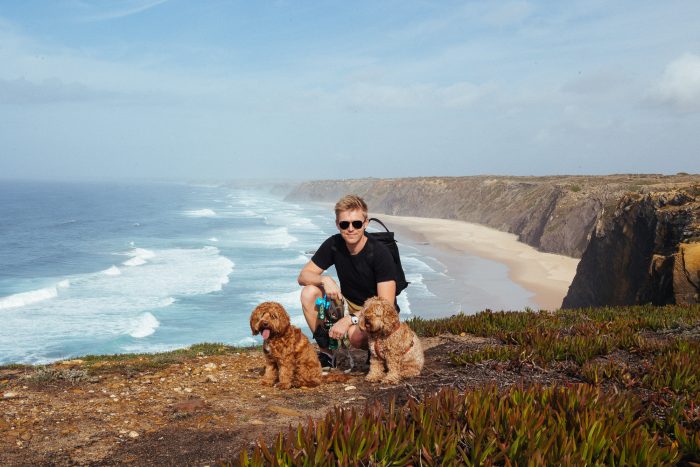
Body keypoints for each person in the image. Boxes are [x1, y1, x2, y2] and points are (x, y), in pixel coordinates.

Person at [298, 194, 397, 367]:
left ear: (365, 223)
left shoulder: (380, 253)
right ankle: (328, 355)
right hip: (347, 303)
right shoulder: (334, 244)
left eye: (356, 224)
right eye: (345, 224)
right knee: (309, 292)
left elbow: (386, 304)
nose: (350, 229)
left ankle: (376, 351)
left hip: (377, 309)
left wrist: (348, 320)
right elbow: (303, 276)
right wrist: (324, 279)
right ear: (338, 225)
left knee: (355, 336)